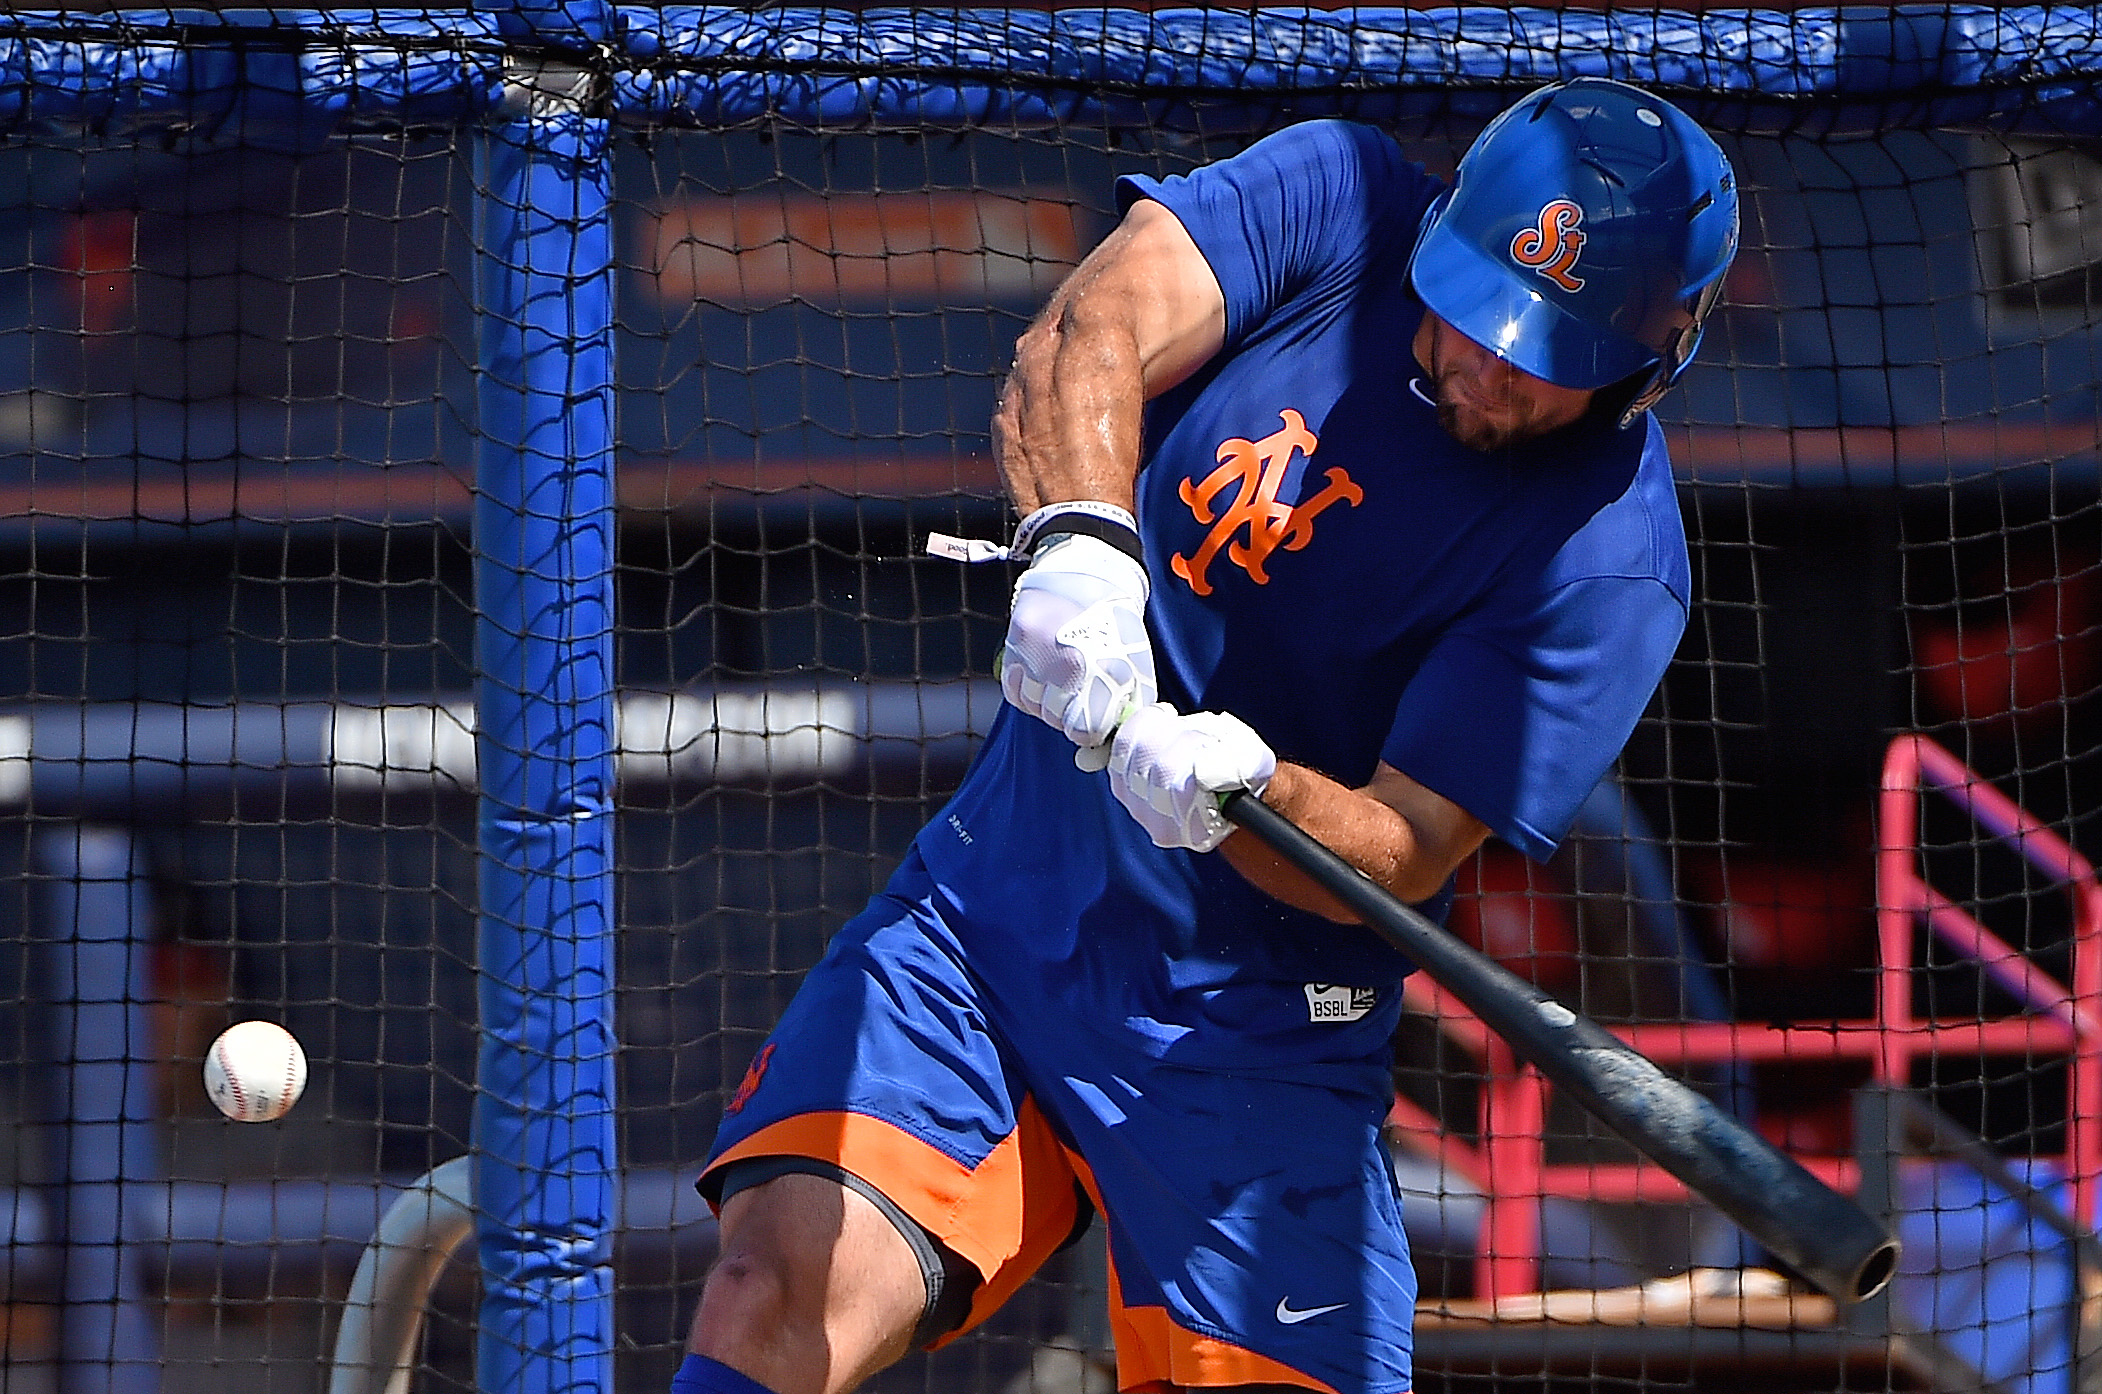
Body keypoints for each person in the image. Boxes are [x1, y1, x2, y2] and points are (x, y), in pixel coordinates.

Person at [669, 76, 1740, 1394]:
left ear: (1649, 361)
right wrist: (1081, 555)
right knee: (775, 1281)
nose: (1484, 360)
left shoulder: (1607, 559)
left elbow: (1404, 846)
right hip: (995, 926)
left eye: (1545, 356)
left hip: (1253, 1026)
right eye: (1472, 304)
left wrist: (1244, 788)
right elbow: (1090, 328)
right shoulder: (1339, 197)